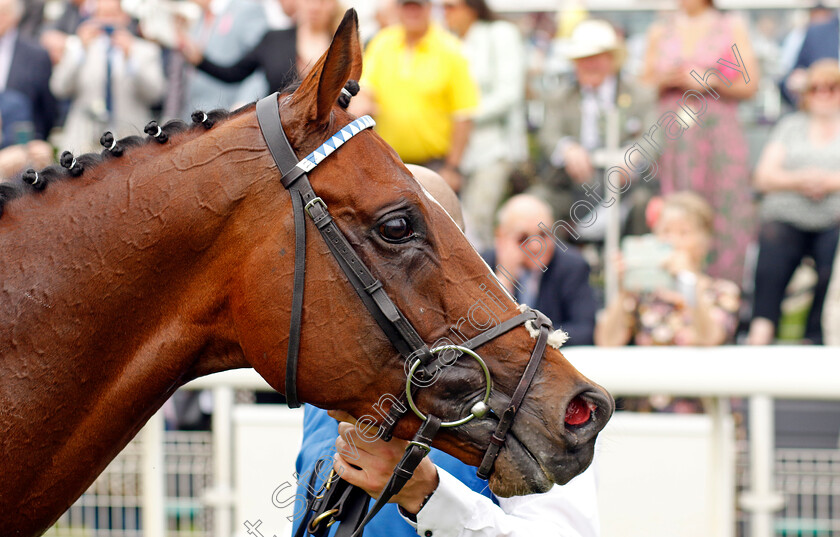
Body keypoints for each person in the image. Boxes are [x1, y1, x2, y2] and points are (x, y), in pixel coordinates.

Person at [292, 166, 601, 537]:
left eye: (393, 237)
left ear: (457, 253)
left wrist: (426, 493)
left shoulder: (523, 378)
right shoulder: (324, 385)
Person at [641, 0, 759, 284]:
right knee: (678, 206)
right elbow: (643, 83)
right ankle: (674, 286)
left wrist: (711, 80)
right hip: (675, 139)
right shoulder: (661, 29)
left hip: (717, 133)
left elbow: (750, 84)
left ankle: (724, 292)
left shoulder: (730, 26)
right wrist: (664, 78)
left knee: (725, 210)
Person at [535, 19, 657, 239]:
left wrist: (633, 155)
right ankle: (549, 269)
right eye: (582, 58)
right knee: (533, 207)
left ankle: (628, 267)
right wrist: (567, 149)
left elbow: (654, 137)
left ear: (612, 60)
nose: (589, 64)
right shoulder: (559, 97)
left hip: (624, 190)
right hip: (570, 187)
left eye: (595, 57)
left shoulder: (639, 95)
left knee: (644, 204)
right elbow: (548, 135)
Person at [747, 60, 840, 346]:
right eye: (816, 88)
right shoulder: (790, 126)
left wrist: (827, 182)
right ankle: (761, 329)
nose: (824, 94)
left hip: (834, 219)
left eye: (832, 87)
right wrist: (801, 180)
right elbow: (763, 176)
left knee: (832, 261)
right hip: (788, 216)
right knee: (773, 249)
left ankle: (817, 336)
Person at [350, 0, 478, 192]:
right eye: (406, 6)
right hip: (387, 160)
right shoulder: (382, 42)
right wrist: (361, 102)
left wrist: (452, 167)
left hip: (434, 165)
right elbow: (366, 86)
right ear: (398, 9)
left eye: (417, 6)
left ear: (429, 9)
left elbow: (463, 114)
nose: (412, 12)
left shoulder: (451, 49)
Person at [595, 192, 740, 347]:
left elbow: (711, 338)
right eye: (665, 232)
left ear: (704, 241)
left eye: (684, 233)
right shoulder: (643, 295)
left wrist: (688, 280)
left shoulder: (722, 292)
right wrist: (623, 289)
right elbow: (607, 342)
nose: (672, 241)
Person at [442, 0, 526, 250]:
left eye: (451, 6)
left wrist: (462, 116)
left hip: (493, 149)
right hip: (452, 152)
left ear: (472, 7)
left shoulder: (500, 34)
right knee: (454, 222)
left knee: (479, 221)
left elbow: (510, 94)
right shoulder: (447, 42)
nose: (445, 13)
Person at [49, 0, 165, 153]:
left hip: (131, 141)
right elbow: (59, 88)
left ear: (125, 17)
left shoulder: (144, 50)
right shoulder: (77, 48)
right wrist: (80, 51)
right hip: (85, 143)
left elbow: (155, 94)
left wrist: (131, 57)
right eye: (102, 15)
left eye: (113, 15)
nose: (107, 21)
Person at [484, 193, 598, 346]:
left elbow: (585, 331)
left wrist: (530, 337)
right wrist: (505, 280)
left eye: (543, 235)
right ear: (501, 237)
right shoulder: (484, 264)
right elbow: (480, 330)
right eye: (523, 238)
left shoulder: (572, 265)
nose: (536, 246)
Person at [179, 0, 344, 95]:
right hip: (280, 134)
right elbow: (234, 73)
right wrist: (200, 60)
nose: (314, 6)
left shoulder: (343, 46)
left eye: (323, 1)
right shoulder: (273, 39)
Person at [164, 0, 268, 120]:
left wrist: (243, 108)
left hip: (227, 117)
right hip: (193, 117)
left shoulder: (247, 9)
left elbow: (259, 67)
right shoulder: (197, 18)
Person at [0, 0, 58, 142]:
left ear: (16, 16)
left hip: (24, 147)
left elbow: (48, 109)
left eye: (3, 12)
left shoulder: (36, 55)